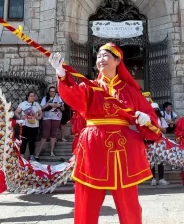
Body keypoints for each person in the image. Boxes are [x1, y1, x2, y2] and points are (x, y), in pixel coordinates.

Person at [49, 43, 162, 224]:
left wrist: (145, 118)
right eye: (99, 56)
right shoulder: (90, 87)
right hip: (94, 147)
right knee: (87, 201)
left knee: (129, 204)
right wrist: (61, 74)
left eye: (105, 56)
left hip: (123, 150)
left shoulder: (130, 90)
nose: (100, 60)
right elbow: (74, 98)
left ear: (117, 60)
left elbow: (150, 118)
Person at [37, 86, 63, 158]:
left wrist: (59, 105)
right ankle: (38, 152)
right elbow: (41, 108)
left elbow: (63, 108)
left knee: (53, 134)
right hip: (47, 117)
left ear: (55, 92)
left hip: (56, 117)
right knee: (45, 134)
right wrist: (48, 104)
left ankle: (51, 151)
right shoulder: (45, 98)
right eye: (51, 91)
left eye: (53, 91)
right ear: (49, 92)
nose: (52, 93)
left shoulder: (58, 98)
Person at [15, 92, 42, 161]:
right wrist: (21, 116)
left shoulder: (37, 104)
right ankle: (22, 156)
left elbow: (41, 114)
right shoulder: (23, 104)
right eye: (31, 96)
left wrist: (38, 117)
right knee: (24, 141)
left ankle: (32, 156)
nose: (33, 97)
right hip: (25, 125)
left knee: (32, 141)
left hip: (34, 125)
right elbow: (16, 112)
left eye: (34, 96)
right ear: (28, 97)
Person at [149, 102, 169, 186]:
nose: (154, 111)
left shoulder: (161, 119)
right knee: (151, 160)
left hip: (160, 140)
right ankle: (153, 178)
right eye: (153, 109)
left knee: (160, 160)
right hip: (150, 141)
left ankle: (161, 178)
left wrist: (158, 127)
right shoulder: (147, 118)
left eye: (156, 109)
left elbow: (165, 130)